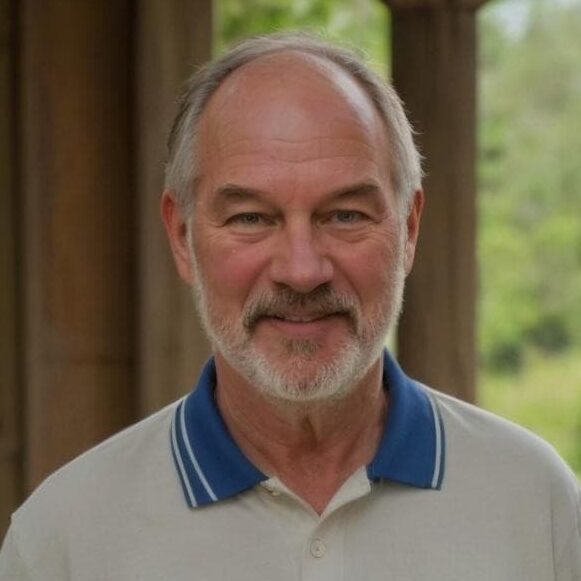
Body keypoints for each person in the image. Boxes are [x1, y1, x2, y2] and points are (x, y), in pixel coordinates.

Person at [1, 32, 579, 581]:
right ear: (182, 238)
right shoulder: (67, 538)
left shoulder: (536, 501)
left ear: (408, 229)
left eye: (345, 215)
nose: (302, 271)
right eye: (251, 218)